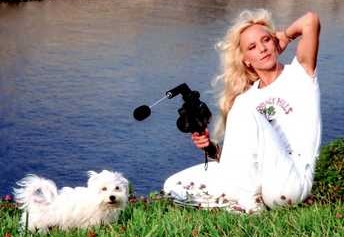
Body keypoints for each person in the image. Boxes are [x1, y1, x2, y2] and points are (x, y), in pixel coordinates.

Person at [163, 9, 321, 213]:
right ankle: (243, 203)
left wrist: (285, 36)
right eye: (253, 47)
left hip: (290, 183)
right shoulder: (247, 99)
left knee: (243, 110)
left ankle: (244, 208)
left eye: (266, 40)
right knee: (174, 184)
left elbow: (310, 20)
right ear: (246, 60)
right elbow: (235, 159)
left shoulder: (300, 75)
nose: (262, 49)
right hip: (257, 181)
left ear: (274, 42)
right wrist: (210, 148)